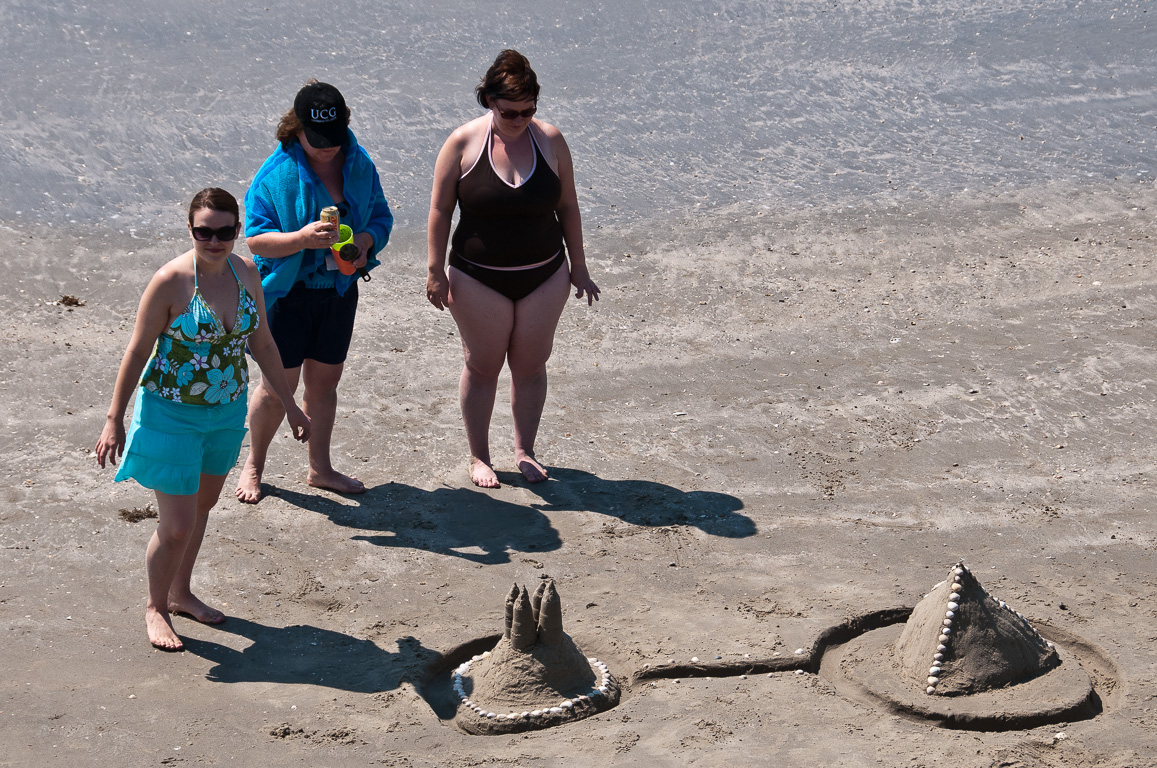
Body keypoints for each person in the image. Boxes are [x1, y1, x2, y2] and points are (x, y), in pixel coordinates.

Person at [95, 188, 310, 651]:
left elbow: (264, 344)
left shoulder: (247, 270)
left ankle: (180, 592)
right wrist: (114, 418)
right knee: (175, 525)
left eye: (225, 231)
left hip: (226, 412)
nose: (214, 240)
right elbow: (137, 350)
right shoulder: (170, 281)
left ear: (238, 230)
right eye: (203, 231)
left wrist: (290, 403)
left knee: (200, 509)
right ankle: (155, 607)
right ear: (190, 230)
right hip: (170, 415)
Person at [427, 50, 599, 489]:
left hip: (545, 273)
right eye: (509, 112)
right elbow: (440, 210)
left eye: (528, 110)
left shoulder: (552, 140)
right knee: (483, 365)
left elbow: (569, 206)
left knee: (531, 364)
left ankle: (525, 450)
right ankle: (479, 456)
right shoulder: (463, 143)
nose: (519, 119)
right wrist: (434, 269)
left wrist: (579, 265)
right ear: (487, 100)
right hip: (477, 276)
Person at [234, 80, 393, 503]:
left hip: (338, 292)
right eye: (316, 140)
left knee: (324, 384)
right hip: (287, 296)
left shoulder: (359, 164)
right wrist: (301, 238)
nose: (326, 149)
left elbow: (381, 217)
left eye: (333, 139)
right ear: (296, 129)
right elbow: (256, 240)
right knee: (275, 388)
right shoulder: (275, 176)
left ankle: (319, 468)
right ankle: (254, 466)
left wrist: (364, 242)